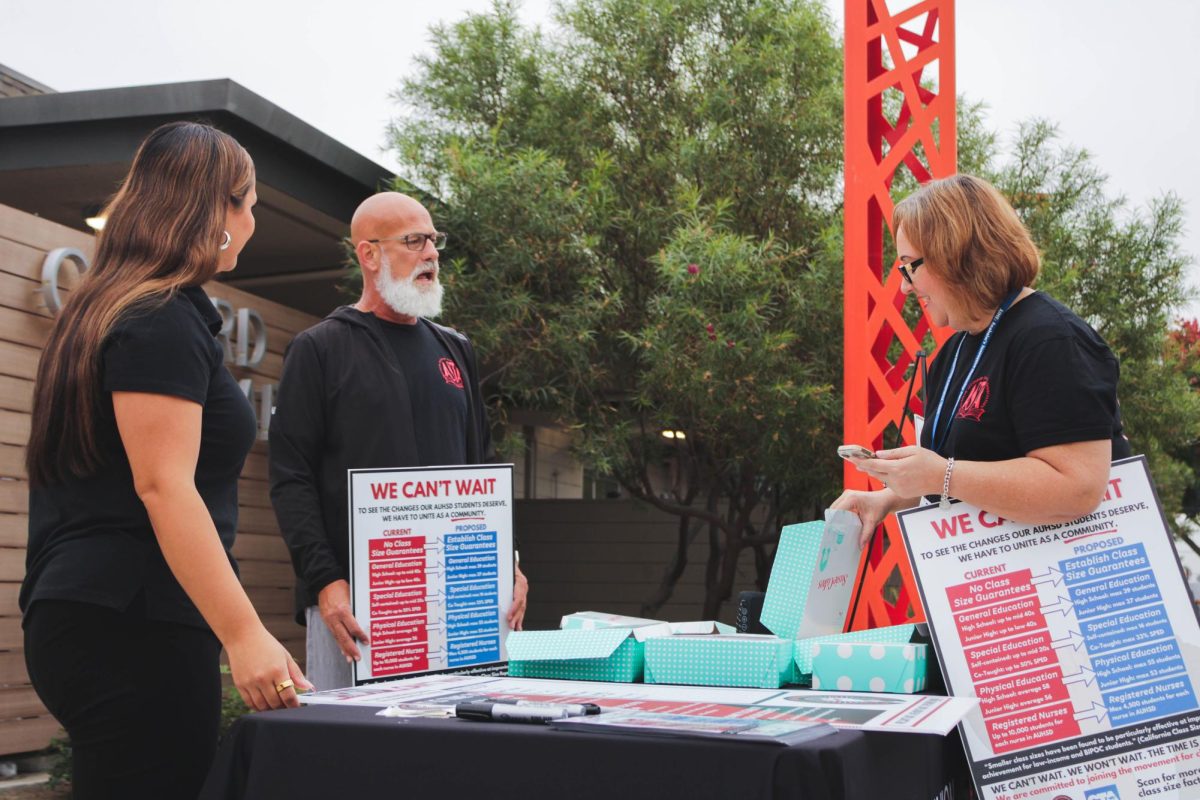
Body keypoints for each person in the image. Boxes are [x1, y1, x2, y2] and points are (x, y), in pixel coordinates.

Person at [20, 121, 311, 799]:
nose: (252, 223)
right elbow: (163, 487)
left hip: (92, 614)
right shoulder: (159, 317)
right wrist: (244, 634)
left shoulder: (104, 309)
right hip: (131, 622)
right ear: (214, 211)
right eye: (249, 204)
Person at [269, 191, 529, 690]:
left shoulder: (456, 349)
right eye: (414, 241)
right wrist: (325, 581)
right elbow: (290, 478)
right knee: (354, 754)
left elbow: (483, 466)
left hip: (457, 605)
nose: (431, 253)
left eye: (434, 240)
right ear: (369, 254)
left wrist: (509, 563)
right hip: (356, 610)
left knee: (449, 747)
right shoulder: (318, 349)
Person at [833, 174, 1130, 544]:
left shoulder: (1050, 339)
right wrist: (887, 498)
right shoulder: (954, 352)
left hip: (1075, 585)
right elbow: (967, 467)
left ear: (954, 255)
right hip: (1000, 591)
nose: (905, 286)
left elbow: (1078, 488)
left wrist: (941, 475)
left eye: (910, 266)